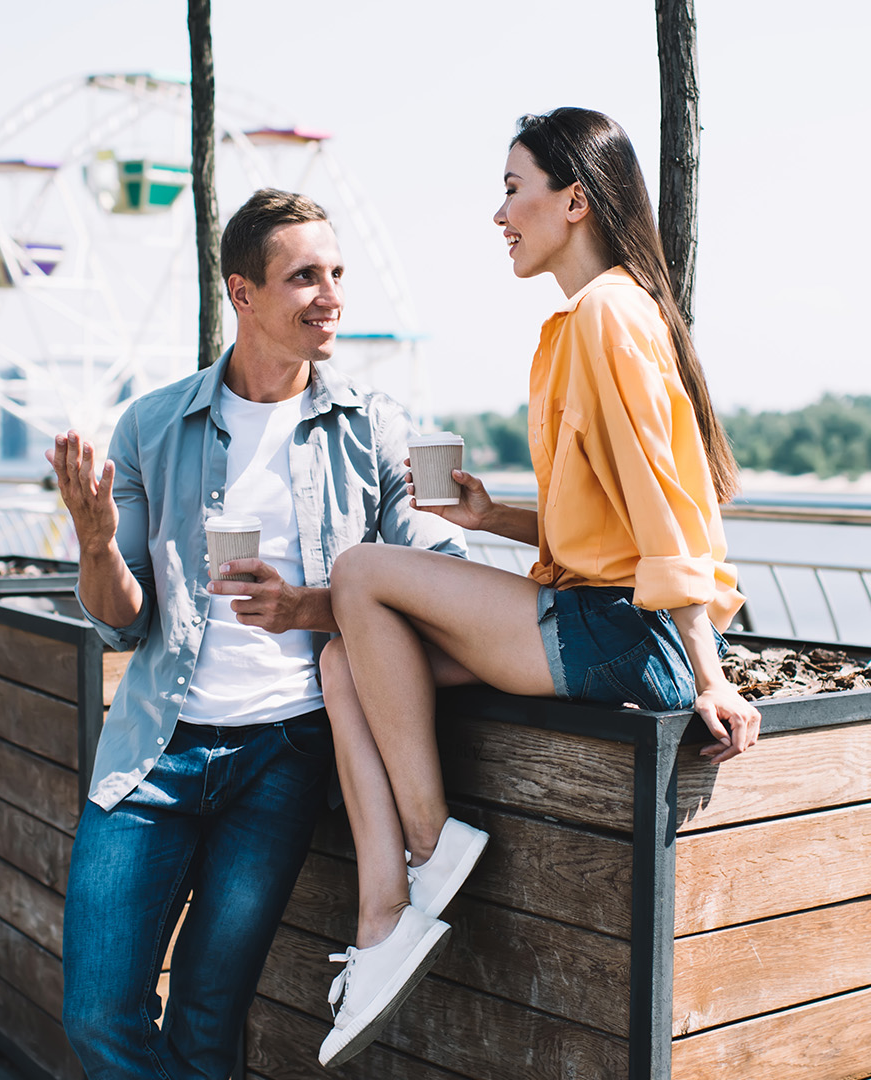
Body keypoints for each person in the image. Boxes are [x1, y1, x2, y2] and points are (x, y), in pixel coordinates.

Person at [311, 108, 764, 1067]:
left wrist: (710, 672)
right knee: (343, 661)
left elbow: (666, 504)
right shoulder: (578, 324)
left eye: (513, 188)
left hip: (617, 631)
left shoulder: (607, 312)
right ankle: (383, 915)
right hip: (594, 614)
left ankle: (434, 847)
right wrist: (494, 520)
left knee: (358, 572)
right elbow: (599, 519)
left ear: (574, 199)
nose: (498, 213)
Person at [49, 187, 467, 1080]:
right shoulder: (153, 425)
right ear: (242, 293)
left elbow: (435, 575)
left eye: (337, 273)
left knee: (208, 1025)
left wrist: (313, 605)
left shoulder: (374, 426)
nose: (331, 295)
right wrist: (92, 543)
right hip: (154, 753)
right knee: (95, 1015)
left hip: (283, 760)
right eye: (303, 276)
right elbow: (121, 615)